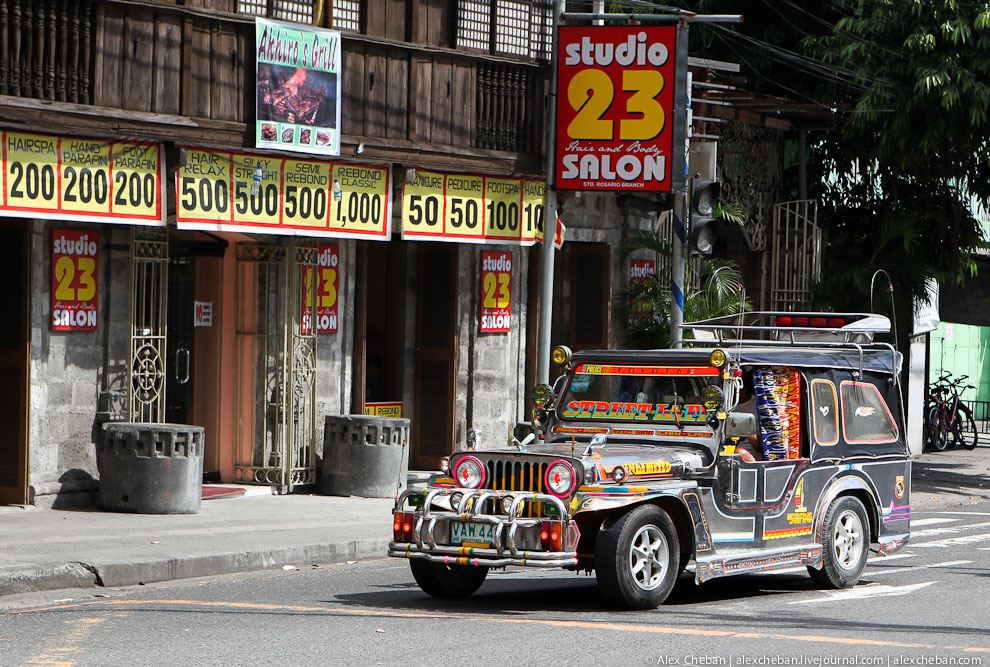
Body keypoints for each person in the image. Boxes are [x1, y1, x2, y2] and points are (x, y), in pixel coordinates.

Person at [732, 371, 763, 463]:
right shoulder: (725, 407)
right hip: (724, 450)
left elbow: (761, 447)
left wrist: (745, 427)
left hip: (748, 456)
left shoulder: (758, 406)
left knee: (740, 453)